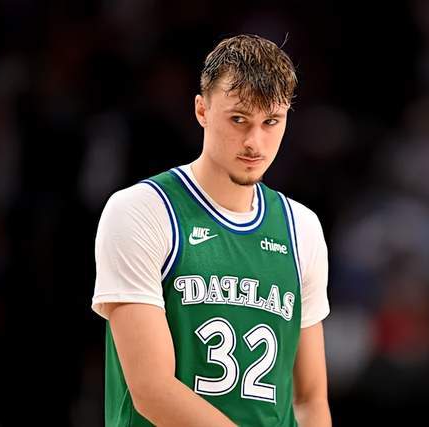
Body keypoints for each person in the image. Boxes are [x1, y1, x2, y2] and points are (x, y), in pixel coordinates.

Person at [92, 34, 331, 426]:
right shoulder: (142, 210)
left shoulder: (301, 227)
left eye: (271, 122)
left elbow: (309, 399)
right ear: (201, 109)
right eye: (239, 119)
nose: (254, 142)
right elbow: (151, 389)